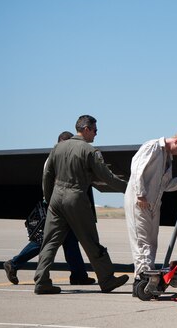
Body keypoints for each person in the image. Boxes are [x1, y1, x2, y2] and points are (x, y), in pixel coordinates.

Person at [34, 115, 129, 294]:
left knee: (50, 242)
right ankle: (107, 279)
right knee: (90, 240)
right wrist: (129, 188)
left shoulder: (58, 147)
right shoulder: (89, 150)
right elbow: (106, 177)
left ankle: (41, 281)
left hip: (56, 198)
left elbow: (47, 175)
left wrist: (49, 199)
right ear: (86, 129)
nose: (96, 134)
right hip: (75, 197)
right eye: (95, 130)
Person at [3, 131, 95, 286]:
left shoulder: (58, 158)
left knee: (70, 241)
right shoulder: (55, 159)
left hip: (60, 206)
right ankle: (14, 263)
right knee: (45, 241)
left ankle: (79, 275)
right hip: (56, 208)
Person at [124, 133, 177, 288]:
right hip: (140, 201)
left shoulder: (167, 158)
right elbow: (137, 170)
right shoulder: (152, 147)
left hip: (153, 203)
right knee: (142, 241)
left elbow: (166, 185)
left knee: (152, 242)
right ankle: (142, 278)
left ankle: (148, 276)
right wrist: (140, 194)